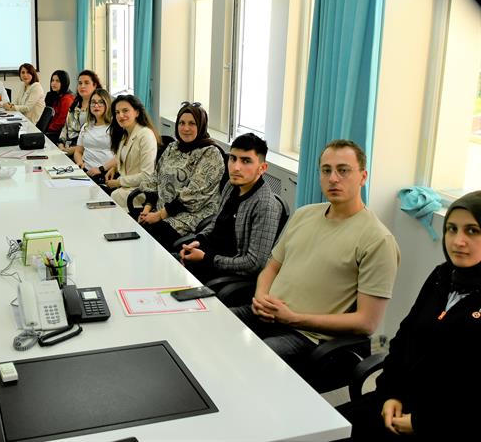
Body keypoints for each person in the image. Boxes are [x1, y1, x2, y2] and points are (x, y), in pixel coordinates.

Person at [230, 139, 400, 374]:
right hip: (264, 314)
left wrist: (294, 318)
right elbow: (271, 268)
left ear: (363, 177)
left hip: (307, 335)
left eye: (343, 170)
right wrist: (260, 296)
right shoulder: (304, 214)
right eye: (326, 170)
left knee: (245, 359)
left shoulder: (378, 240)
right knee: (208, 322)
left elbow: (366, 322)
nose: (333, 178)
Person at [339, 191, 481, 441]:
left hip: (445, 425)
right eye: (451, 229)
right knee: (317, 430)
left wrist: (422, 422)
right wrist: (390, 394)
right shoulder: (442, 276)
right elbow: (404, 338)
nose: (458, 241)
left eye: (472, 231)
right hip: (396, 405)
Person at [180, 133, 283, 279]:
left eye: (246, 161)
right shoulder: (231, 185)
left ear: (262, 168)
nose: (236, 167)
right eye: (233, 159)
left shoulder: (265, 205)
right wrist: (198, 241)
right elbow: (216, 222)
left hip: (224, 274)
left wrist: (206, 258)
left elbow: (254, 263)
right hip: (206, 256)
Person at [136, 103, 223, 249]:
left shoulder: (210, 153)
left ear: (201, 126)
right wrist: (147, 208)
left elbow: (194, 194)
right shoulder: (173, 147)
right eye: (182, 123)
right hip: (160, 211)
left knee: (149, 240)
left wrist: (159, 215)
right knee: (135, 228)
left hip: (190, 216)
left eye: (192, 123)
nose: (185, 128)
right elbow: (155, 179)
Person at [105, 94, 160, 208]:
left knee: (112, 197)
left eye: (125, 111)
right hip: (126, 188)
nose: (120, 115)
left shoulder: (146, 135)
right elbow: (128, 159)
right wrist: (115, 167)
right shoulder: (125, 134)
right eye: (117, 112)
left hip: (139, 191)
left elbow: (147, 176)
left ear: (137, 112)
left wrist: (119, 182)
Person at [73, 88, 115, 182]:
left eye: (101, 102)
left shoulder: (114, 127)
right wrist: (79, 162)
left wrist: (101, 169)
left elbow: (120, 156)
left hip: (104, 172)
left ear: (107, 104)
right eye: (93, 102)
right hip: (86, 171)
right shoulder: (86, 126)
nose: (96, 105)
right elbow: (78, 151)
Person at [57, 70, 101, 156]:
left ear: (95, 85)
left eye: (86, 83)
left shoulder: (98, 108)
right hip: (66, 148)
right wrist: (61, 144)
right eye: (80, 83)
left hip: (86, 153)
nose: (82, 86)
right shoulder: (75, 104)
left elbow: (96, 137)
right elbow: (65, 127)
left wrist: (74, 150)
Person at [43, 70, 74, 142]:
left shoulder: (67, 99)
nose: (53, 83)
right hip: (51, 130)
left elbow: (61, 122)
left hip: (57, 134)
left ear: (64, 83)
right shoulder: (56, 95)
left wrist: (46, 128)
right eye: (52, 80)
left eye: (57, 81)